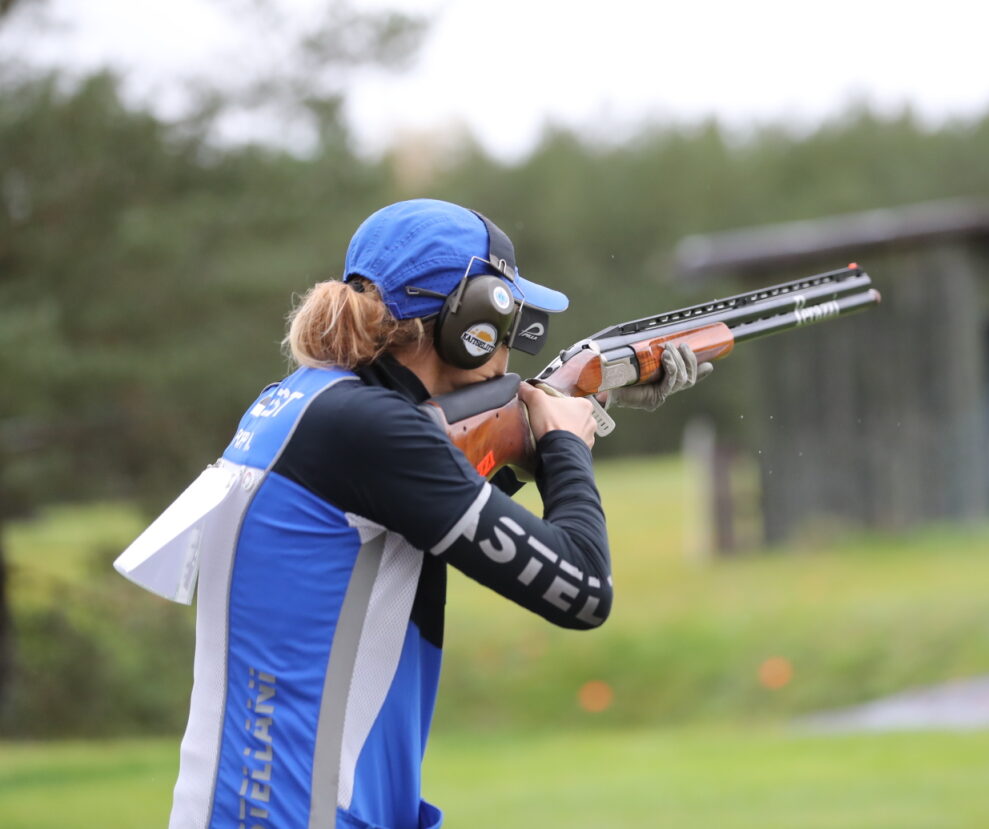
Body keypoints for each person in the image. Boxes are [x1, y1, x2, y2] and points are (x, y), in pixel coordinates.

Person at [163, 199, 709, 829]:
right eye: (506, 325)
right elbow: (583, 589)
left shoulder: (305, 404)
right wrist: (565, 445)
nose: (509, 352)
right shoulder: (372, 430)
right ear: (471, 321)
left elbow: (431, 510)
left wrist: (570, 413)